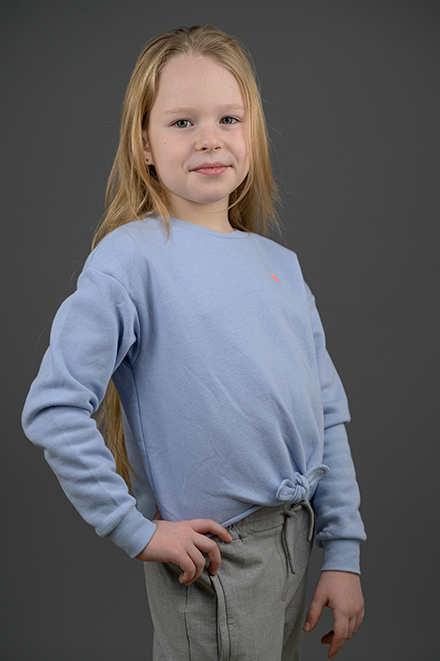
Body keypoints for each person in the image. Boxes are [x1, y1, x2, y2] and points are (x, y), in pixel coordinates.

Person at [22, 25, 366, 661]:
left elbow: (326, 416)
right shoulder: (131, 259)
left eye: (228, 118)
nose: (210, 137)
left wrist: (342, 553)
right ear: (144, 145)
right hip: (215, 558)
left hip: (295, 543)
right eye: (182, 122)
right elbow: (54, 407)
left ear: (251, 134)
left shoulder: (281, 266)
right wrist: (134, 530)